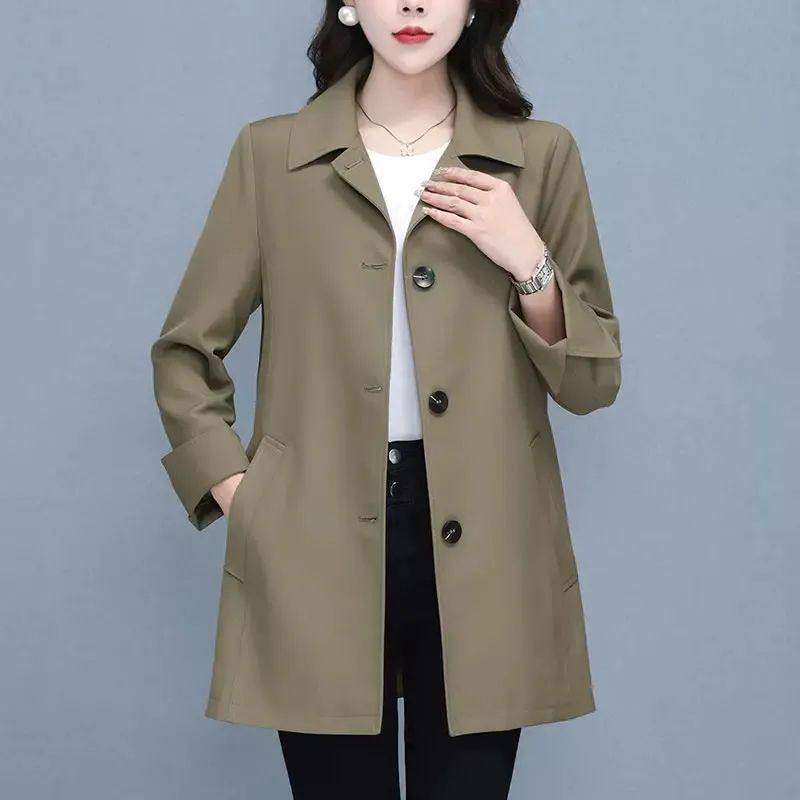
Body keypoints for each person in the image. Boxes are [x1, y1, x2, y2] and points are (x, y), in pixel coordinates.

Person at [150, 2, 622, 797]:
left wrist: (528, 259)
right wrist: (245, 496)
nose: (412, 6)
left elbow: (591, 382)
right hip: (315, 530)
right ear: (347, 4)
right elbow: (186, 352)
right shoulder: (273, 156)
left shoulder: (539, 157)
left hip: (490, 539)